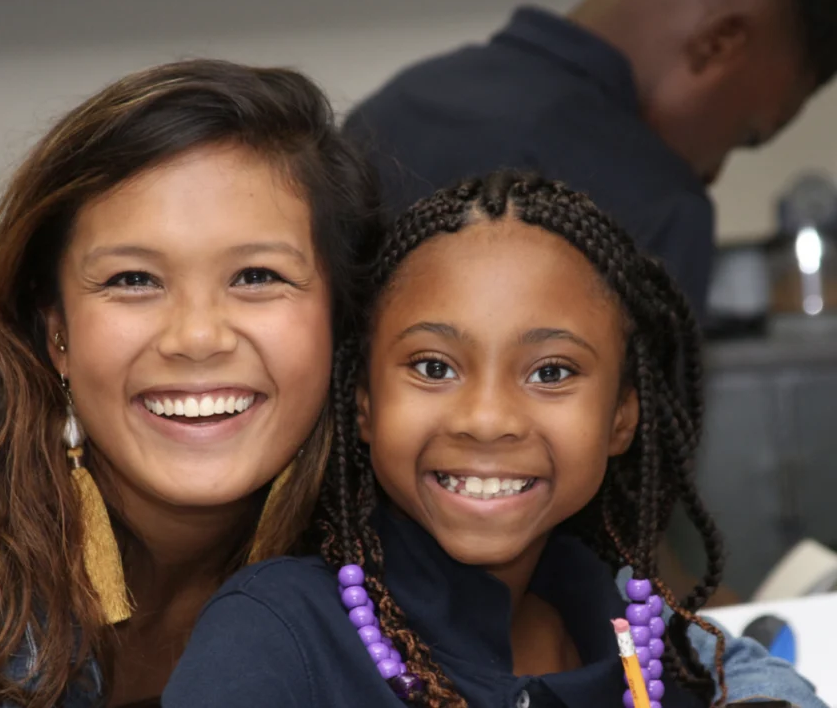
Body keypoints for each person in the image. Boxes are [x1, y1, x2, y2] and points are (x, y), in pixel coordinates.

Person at [0, 60, 380, 707]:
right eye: (132, 280)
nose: (196, 338)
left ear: (341, 320)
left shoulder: (387, 573)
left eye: (256, 276)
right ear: (57, 330)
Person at [163, 172, 825, 707]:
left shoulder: (648, 644)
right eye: (433, 367)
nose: (486, 419)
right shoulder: (276, 635)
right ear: (363, 404)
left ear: (623, 417)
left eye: (551, 373)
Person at [343, 0, 837, 317]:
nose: (713, 172)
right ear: (718, 43)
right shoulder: (659, 202)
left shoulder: (393, 106)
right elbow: (650, 469)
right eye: (745, 134)